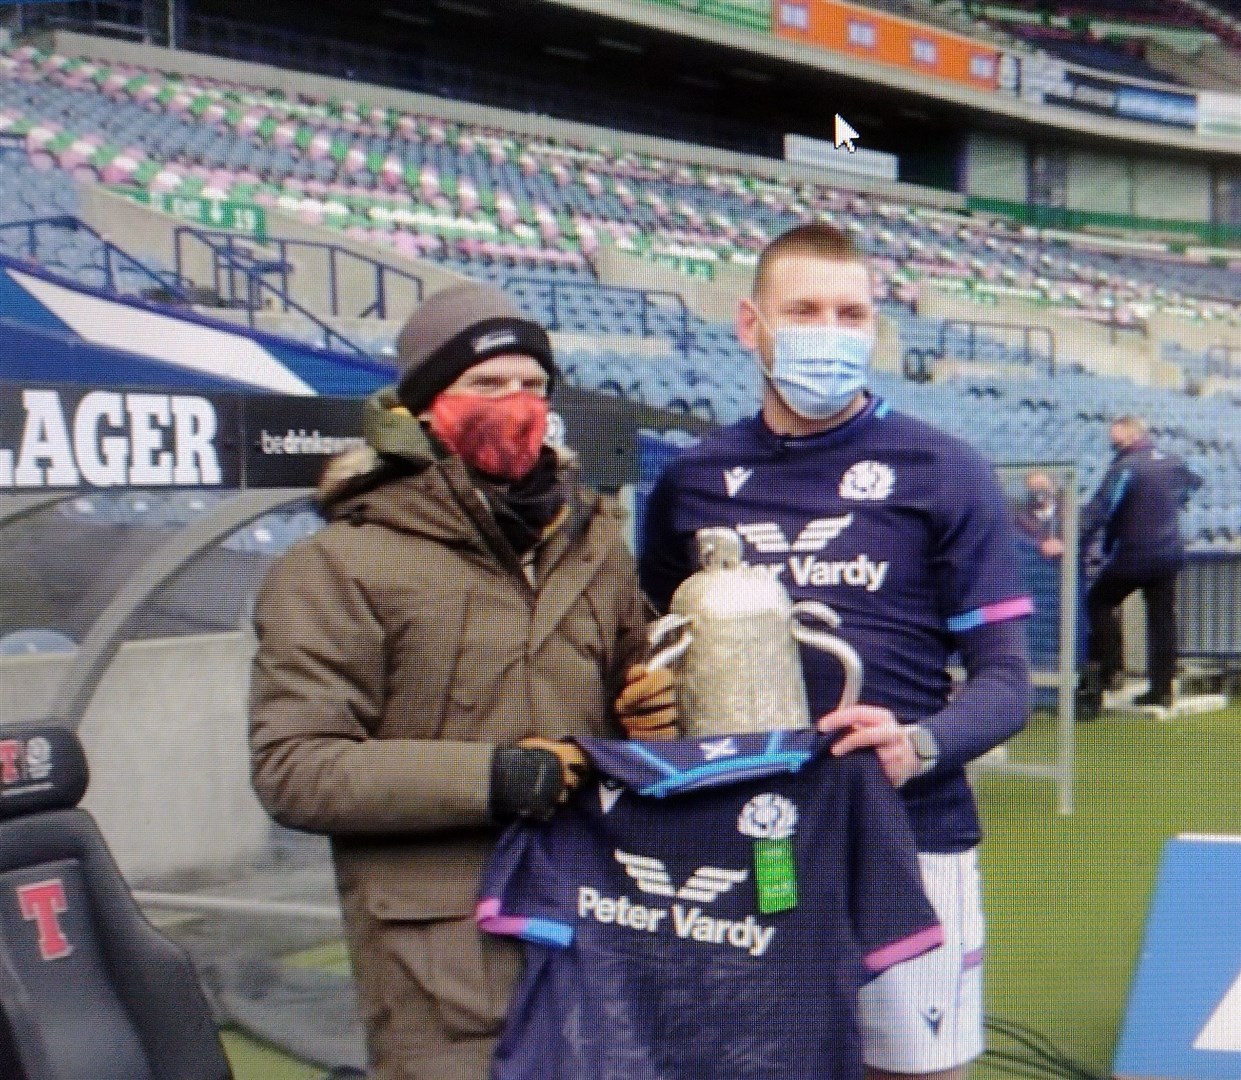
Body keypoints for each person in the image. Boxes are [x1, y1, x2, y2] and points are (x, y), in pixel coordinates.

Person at [248, 284, 677, 1080]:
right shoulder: (335, 567)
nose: (516, 404)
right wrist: (499, 777)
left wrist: (658, 711)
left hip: (602, 933)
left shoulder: (594, 545)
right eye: (485, 386)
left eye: (534, 386)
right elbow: (294, 768)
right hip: (443, 978)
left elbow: (634, 693)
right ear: (418, 408)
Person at [639, 222, 1033, 1080]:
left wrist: (916, 745)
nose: (831, 331)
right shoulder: (689, 481)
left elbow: (1007, 684)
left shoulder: (945, 469)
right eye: (805, 309)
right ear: (750, 323)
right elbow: (648, 650)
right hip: (748, 840)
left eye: (851, 313)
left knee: (916, 1075)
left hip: (909, 837)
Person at [1078, 415, 1203, 710]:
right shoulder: (1172, 461)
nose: (1112, 441)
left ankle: (1108, 672)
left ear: (1132, 434)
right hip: (1169, 553)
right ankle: (1162, 689)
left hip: (1135, 552)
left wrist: (1074, 532)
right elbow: (1193, 484)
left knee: (1099, 601)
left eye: (1116, 436)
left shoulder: (1125, 467)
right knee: (1162, 620)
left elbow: (1102, 508)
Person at [1014, 469, 1066, 559]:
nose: (1038, 491)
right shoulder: (1020, 518)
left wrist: (1064, 545)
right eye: (1033, 488)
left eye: (1041, 486)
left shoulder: (1069, 514)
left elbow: (1081, 537)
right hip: (1035, 567)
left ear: (1053, 486)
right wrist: (1040, 545)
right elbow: (1018, 539)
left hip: (1067, 567)